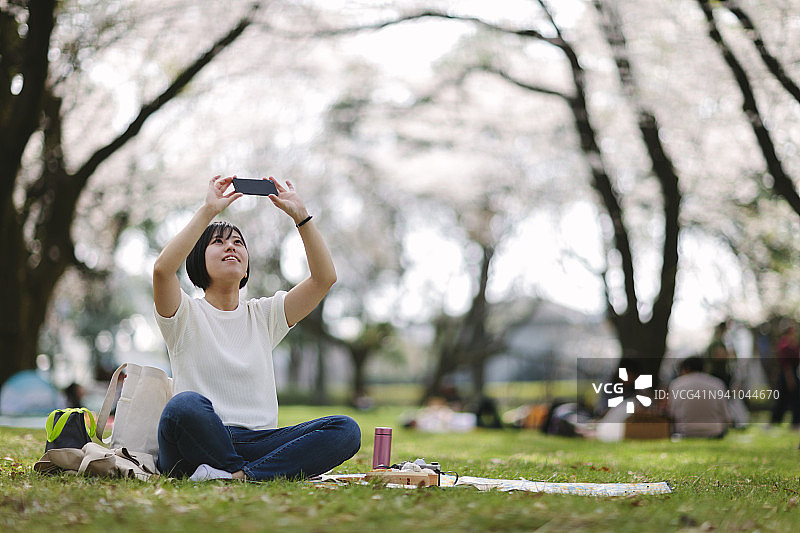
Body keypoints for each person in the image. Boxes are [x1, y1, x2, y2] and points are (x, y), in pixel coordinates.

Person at [152, 175, 360, 481]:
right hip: (195, 440)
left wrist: (301, 217)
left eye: (238, 242)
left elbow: (323, 278)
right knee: (184, 405)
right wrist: (209, 211)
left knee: (345, 430)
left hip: (259, 442)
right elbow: (162, 270)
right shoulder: (183, 314)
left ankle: (240, 476)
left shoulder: (265, 315)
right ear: (198, 259)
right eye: (218, 242)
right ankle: (246, 471)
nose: (231, 247)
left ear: (247, 266)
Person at [667, 356, 731, 438]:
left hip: (685, 432)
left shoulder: (676, 385)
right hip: (714, 432)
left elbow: (672, 413)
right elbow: (726, 417)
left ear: (687, 368)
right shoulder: (717, 384)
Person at [769, 323, 800, 428]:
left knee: (795, 400)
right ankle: (775, 420)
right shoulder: (784, 344)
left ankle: (795, 422)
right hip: (787, 374)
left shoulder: (794, 343)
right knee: (783, 399)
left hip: (794, 373)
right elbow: (786, 364)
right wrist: (790, 379)